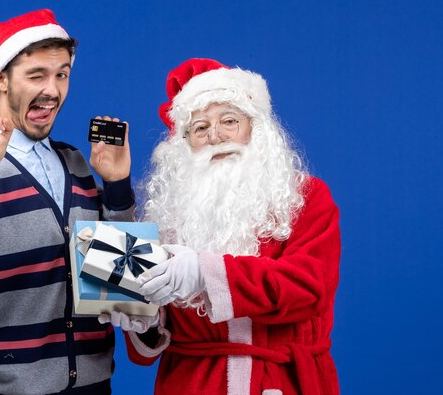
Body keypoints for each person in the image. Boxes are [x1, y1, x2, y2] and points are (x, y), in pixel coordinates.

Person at [100, 58, 341, 395]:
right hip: (189, 383)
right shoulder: (170, 213)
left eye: (229, 121)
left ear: (256, 128)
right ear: (184, 143)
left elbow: (308, 286)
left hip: (280, 382)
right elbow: (151, 346)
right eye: (199, 128)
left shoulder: (306, 197)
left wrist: (206, 272)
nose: (215, 136)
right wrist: (144, 320)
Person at [0, 9, 134, 395]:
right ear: (1, 80)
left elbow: (119, 289)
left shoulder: (78, 164)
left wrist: (118, 186)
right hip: (11, 388)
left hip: (95, 383)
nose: (53, 90)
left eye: (62, 74)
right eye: (37, 75)